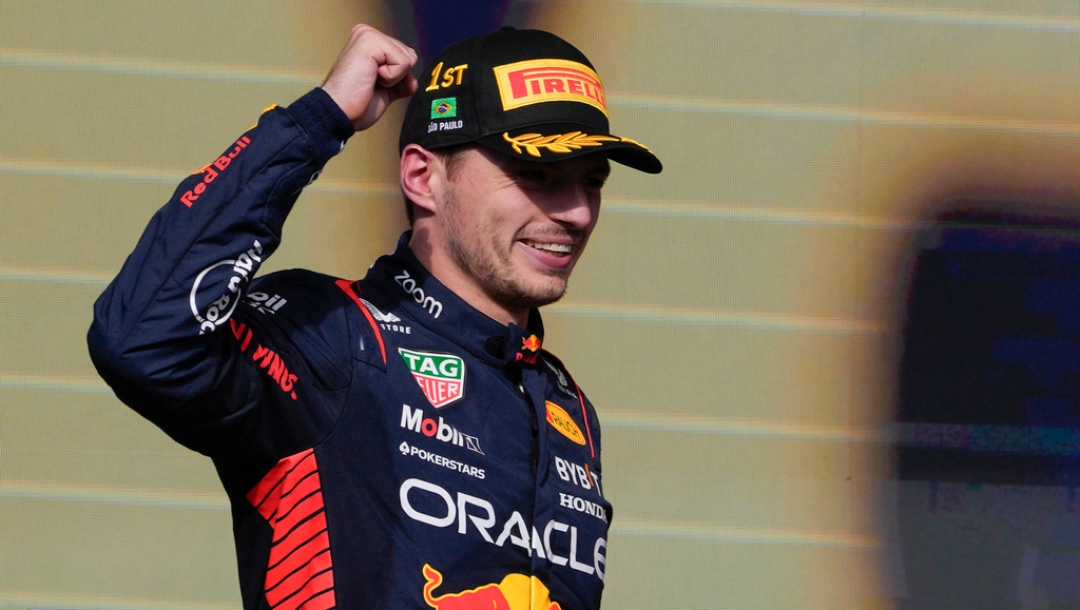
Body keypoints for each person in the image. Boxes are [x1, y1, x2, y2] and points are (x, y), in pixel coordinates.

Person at [88, 22, 661, 609]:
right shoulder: (331, 334)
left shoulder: (567, 403)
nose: (576, 213)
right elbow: (141, 341)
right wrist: (316, 122)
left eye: (593, 182)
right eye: (536, 175)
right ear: (422, 177)